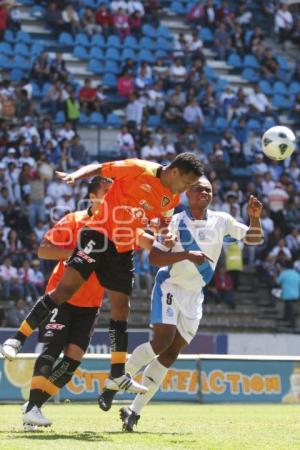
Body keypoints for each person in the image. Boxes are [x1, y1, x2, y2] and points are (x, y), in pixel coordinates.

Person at [2, 154, 203, 411]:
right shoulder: (139, 169)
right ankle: (16, 340)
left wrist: (167, 233)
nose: (186, 190)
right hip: (98, 235)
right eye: (186, 183)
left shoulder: (172, 198)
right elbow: (100, 167)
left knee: (122, 308)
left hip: (122, 248)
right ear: (174, 171)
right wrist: (77, 175)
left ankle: (117, 373)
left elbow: (162, 224)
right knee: (64, 291)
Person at [119, 176, 263, 431]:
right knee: (162, 341)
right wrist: (185, 253)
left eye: (208, 190)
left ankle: (133, 412)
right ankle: (118, 375)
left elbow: (253, 239)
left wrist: (254, 218)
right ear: (187, 194)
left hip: (195, 294)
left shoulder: (222, 220)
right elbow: (154, 257)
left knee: (171, 353)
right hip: (170, 285)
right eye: (199, 189)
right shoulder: (173, 222)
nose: (204, 193)